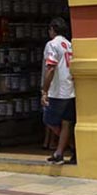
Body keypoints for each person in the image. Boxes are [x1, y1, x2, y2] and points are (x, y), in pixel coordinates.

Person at [42, 17, 76, 165]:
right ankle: (59, 152)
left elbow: (50, 67)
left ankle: (73, 146)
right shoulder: (69, 45)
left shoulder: (52, 45)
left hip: (58, 90)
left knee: (49, 120)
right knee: (66, 122)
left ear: (52, 30)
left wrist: (45, 90)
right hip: (70, 88)